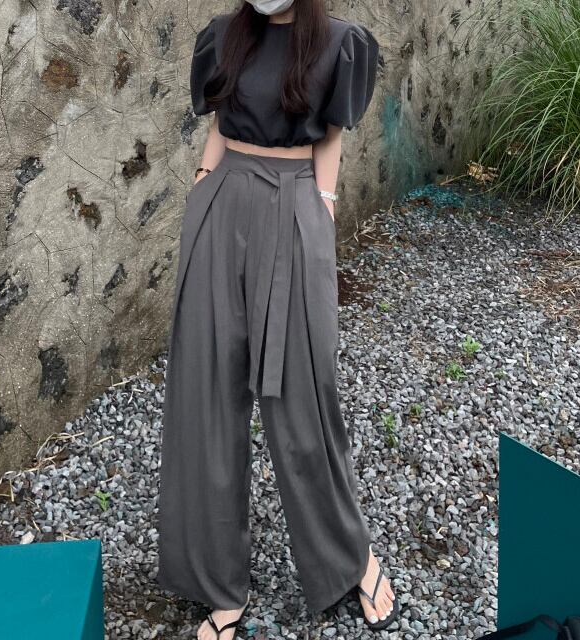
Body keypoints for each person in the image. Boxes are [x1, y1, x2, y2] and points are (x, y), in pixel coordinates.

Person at [156, 1, 400, 638]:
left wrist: (323, 205)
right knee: (206, 389)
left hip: (294, 201)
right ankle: (217, 583)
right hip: (223, 199)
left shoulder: (340, 43)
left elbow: (331, 136)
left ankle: (349, 556)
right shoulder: (224, 35)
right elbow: (218, 123)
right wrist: (203, 181)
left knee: (305, 393)